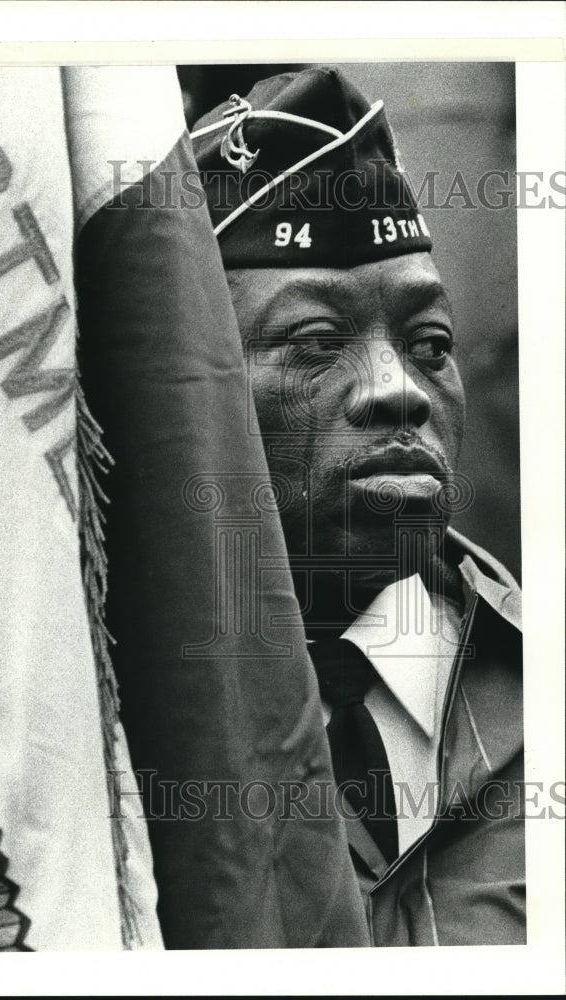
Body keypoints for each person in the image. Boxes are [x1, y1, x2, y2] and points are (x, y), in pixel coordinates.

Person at [191, 67, 525, 946]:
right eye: (316, 342)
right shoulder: (100, 719)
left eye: (431, 344)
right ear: (194, 397)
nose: (399, 391)